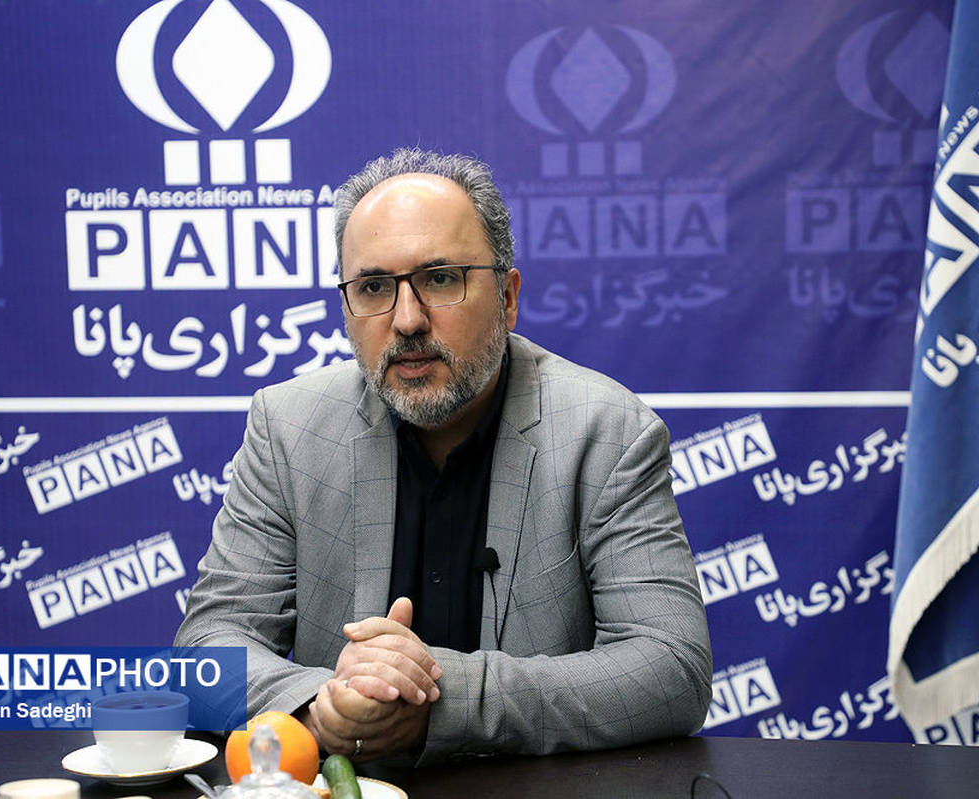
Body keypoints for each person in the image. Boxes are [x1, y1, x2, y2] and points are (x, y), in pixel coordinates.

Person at [175, 148, 712, 765]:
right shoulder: (288, 426)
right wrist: (319, 706)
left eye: (439, 279)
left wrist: (440, 698)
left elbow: (671, 669)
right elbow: (206, 651)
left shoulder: (606, 431)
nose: (406, 321)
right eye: (373, 287)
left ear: (507, 297)